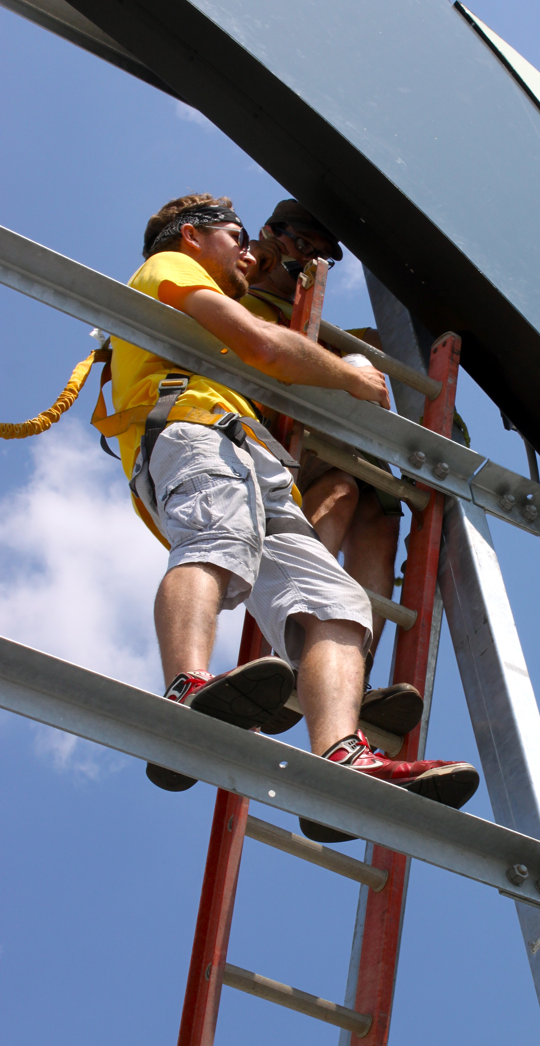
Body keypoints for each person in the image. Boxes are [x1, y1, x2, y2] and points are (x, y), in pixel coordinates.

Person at [105, 192, 478, 828]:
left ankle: (342, 753)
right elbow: (267, 349)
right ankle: (186, 687)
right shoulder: (172, 268)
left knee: (337, 604)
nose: (248, 251)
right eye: (237, 236)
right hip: (193, 425)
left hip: (255, 449)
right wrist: (350, 378)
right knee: (216, 541)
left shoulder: (245, 286)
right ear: (192, 237)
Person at [241, 199, 419, 736]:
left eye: (322, 256)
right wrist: (266, 260)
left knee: (380, 518)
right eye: (303, 246)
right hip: (270, 437)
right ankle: (303, 643)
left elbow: (359, 356)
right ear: (272, 234)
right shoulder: (239, 283)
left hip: (327, 440)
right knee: (339, 489)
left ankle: (351, 674)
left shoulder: (316, 323)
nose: (310, 262)